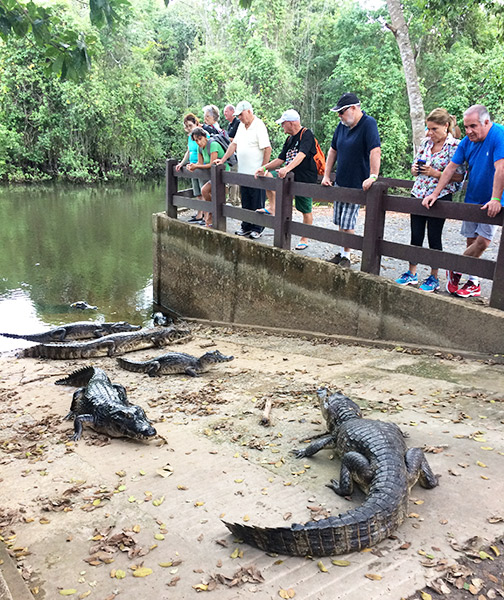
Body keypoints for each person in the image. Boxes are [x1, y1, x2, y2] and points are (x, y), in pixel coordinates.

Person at [423, 104, 504, 298]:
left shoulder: (499, 135)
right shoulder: (468, 141)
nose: (468, 131)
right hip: (473, 196)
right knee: (472, 240)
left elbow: (501, 167)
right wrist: (435, 193)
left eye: (473, 126)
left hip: (492, 199)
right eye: (466, 127)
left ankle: (455, 266)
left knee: (483, 241)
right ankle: (473, 282)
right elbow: (451, 168)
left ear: (486, 122)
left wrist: (496, 198)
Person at [395, 109, 465, 292]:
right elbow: (414, 166)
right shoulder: (426, 143)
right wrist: (416, 169)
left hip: (440, 195)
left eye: (434, 129)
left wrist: (435, 173)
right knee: (415, 234)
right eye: (428, 128)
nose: (430, 133)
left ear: (445, 126)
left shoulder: (455, 146)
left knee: (434, 236)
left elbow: (460, 177)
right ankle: (412, 272)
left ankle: (434, 276)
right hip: (418, 192)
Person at [321, 93, 381, 268]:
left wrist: (373, 175)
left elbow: (375, 150)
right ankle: (341, 253)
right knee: (339, 220)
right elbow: (333, 150)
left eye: (342, 111)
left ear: (354, 108)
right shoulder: (341, 126)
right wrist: (326, 175)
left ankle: (347, 255)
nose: (339, 116)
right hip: (341, 179)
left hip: (356, 182)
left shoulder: (368, 124)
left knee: (348, 220)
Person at [254, 109, 316, 250]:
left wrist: (287, 168)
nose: (282, 127)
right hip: (287, 177)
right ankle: (272, 206)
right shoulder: (289, 139)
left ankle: (304, 238)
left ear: (291, 123)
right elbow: (281, 159)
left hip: (304, 178)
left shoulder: (306, 134)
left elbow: (301, 155)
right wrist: (264, 167)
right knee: (267, 176)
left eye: (283, 124)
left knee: (305, 208)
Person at [214, 100, 272, 239]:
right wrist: (222, 160)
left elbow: (267, 148)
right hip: (243, 172)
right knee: (245, 200)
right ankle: (246, 226)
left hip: (256, 173)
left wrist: (264, 167)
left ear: (249, 111)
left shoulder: (259, 125)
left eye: (241, 115)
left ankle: (257, 228)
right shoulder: (241, 126)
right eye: (238, 115)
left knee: (257, 200)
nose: (239, 117)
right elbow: (233, 145)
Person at [186, 127, 229, 227]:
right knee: (205, 191)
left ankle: (211, 214)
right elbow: (200, 163)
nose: (198, 142)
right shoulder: (199, 148)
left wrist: (196, 166)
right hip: (212, 174)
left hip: (222, 173)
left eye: (200, 139)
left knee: (205, 190)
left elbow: (211, 164)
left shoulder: (213, 144)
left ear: (205, 137)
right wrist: (192, 166)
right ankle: (211, 213)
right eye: (196, 140)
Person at [175, 113, 205, 224]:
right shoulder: (190, 137)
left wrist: (199, 164)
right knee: (197, 192)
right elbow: (189, 151)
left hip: (200, 166)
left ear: (196, 123)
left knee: (203, 190)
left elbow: (204, 149)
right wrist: (182, 163)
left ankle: (205, 215)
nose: (188, 128)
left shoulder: (202, 134)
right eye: (186, 126)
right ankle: (199, 214)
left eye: (190, 126)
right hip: (192, 165)